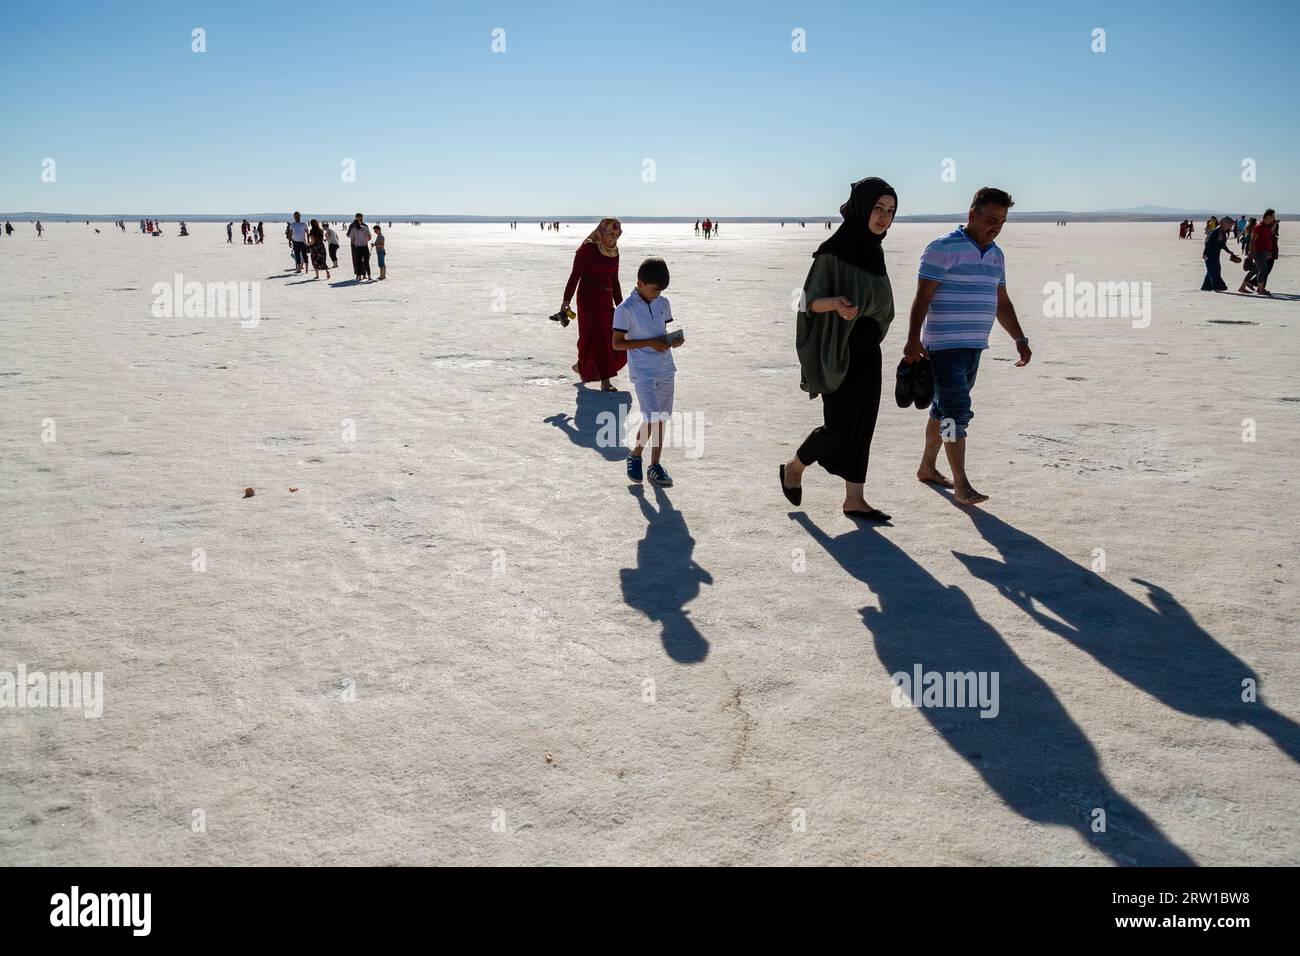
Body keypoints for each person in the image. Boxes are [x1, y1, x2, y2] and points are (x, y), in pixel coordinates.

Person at [903, 186, 1031, 507]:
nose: (996, 226)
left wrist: (1019, 338)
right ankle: (961, 484)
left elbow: (1001, 302)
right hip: (943, 349)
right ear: (972, 215)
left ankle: (927, 467)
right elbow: (923, 297)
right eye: (991, 219)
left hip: (974, 348)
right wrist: (912, 338)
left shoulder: (997, 255)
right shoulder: (943, 248)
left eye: (1002, 221)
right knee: (956, 414)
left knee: (942, 410)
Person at [780, 177, 898, 521]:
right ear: (861, 207)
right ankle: (794, 467)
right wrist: (835, 304)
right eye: (877, 208)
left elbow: (881, 303)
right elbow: (807, 303)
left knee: (864, 424)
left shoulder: (874, 252)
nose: (883, 217)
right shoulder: (834, 250)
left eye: (890, 211)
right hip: (838, 349)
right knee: (841, 427)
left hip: (867, 350)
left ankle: (854, 499)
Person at [614, 257, 683, 487]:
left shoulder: (663, 303)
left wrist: (670, 341)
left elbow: (660, 331)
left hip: (665, 367)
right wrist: (651, 343)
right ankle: (635, 454)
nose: (657, 293)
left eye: (661, 290)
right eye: (654, 289)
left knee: (661, 418)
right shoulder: (625, 309)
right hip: (642, 370)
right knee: (652, 417)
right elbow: (617, 344)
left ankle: (655, 466)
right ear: (640, 282)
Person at [561, 218, 626, 391]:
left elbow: (615, 281)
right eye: (611, 233)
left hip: (605, 299)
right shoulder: (588, 249)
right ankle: (605, 381)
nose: (614, 237)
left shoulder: (614, 252)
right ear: (602, 231)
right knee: (597, 337)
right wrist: (566, 301)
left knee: (611, 335)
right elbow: (575, 276)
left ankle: (581, 366)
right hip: (588, 299)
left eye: (617, 234)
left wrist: (621, 306)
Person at [1200, 215, 1241, 291]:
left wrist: (1229, 252)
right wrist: (1205, 253)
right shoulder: (1216, 231)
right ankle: (1218, 287)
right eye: (1229, 225)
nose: (1230, 227)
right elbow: (1208, 243)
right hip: (1209, 254)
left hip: (1215, 254)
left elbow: (1222, 244)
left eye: (1231, 225)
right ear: (1224, 223)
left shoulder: (1222, 232)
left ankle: (1206, 286)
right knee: (1214, 270)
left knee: (1213, 270)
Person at [1250, 209, 1278, 296]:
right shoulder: (1259, 227)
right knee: (1262, 270)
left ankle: (1260, 288)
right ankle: (1260, 289)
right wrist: (1251, 254)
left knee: (1262, 270)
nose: (1274, 218)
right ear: (1268, 216)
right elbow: (1252, 240)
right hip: (1258, 251)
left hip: (1264, 252)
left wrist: (1268, 252)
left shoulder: (1267, 227)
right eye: (1272, 216)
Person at [346, 213, 371, 280]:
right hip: (355, 246)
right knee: (356, 261)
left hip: (363, 245)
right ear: (356, 217)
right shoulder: (352, 225)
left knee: (365, 260)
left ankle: (364, 274)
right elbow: (348, 235)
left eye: (362, 217)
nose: (361, 219)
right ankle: (358, 274)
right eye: (359, 217)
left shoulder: (365, 225)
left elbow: (369, 236)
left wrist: (365, 241)